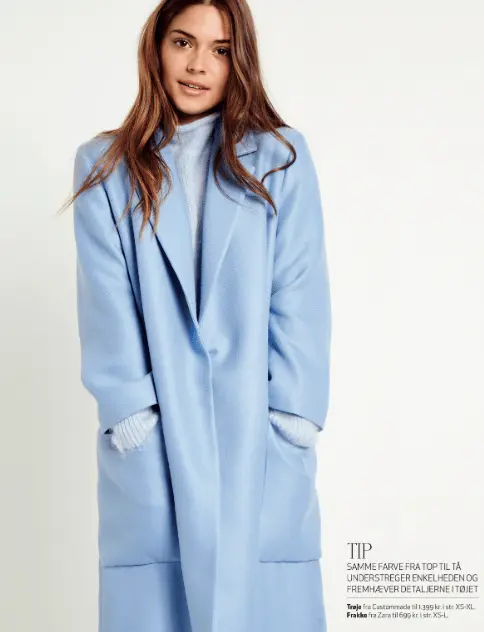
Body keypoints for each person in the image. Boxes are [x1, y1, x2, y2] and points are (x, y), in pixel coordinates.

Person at [63, 1, 332, 631]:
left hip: (260, 439)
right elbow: (105, 301)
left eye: (220, 49)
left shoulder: (281, 157)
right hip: (155, 440)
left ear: (240, 61)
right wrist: (131, 414)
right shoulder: (106, 167)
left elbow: (299, 289)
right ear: (155, 47)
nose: (198, 65)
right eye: (183, 42)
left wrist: (293, 416)